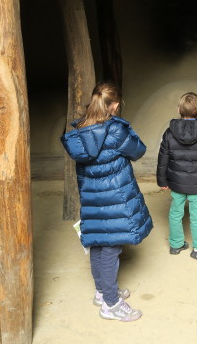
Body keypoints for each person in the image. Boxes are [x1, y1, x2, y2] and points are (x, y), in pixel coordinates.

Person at [60, 82, 153, 322]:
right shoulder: (115, 130)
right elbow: (138, 151)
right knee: (111, 248)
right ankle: (111, 304)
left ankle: (102, 292)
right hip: (116, 197)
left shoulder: (80, 129)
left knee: (99, 244)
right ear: (115, 105)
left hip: (92, 197)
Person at [157, 92, 197, 259]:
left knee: (175, 214)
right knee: (196, 217)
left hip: (176, 183)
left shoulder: (169, 133)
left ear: (178, 109)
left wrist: (162, 180)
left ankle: (176, 244)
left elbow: (162, 159)